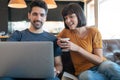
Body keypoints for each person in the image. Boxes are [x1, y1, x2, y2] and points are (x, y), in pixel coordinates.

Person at [57, 3, 120, 80]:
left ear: (79, 16)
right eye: (65, 18)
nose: (67, 20)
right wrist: (58, 41)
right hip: (83, 70)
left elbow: (99, 60)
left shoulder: (93, 32)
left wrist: (77, 48)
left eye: (71, 17)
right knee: (87, 77)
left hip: (100, 65)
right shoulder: (66, 32)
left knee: (111, 67)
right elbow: (55, 40)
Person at [6, 0, 63, 80]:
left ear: (45, 17)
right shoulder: (17, 35)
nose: (38, 18)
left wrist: (56, 71)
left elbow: (58, 64)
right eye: (35, 14)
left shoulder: (53, 39)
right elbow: (7, 57)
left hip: (44, 77)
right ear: (29, 15)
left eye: (42, 15)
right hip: (19, 76)